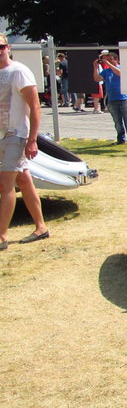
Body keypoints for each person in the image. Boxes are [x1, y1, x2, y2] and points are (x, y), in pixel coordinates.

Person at [0, 34, 47, 250]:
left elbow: (34, 106)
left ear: (7, 47)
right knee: (24, 180)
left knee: (5, 185)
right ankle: (41, 227)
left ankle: (1, 236)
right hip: (2, 136)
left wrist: (32, 140)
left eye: (0, 47)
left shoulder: (18, 71)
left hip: (15, 135)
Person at [93, 50, 127, 144]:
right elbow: (97, 79)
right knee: (117, 122)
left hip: (124, 98)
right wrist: (95, 67)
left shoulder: (121, 68)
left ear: (117, 60)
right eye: (107, 60)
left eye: (111, 59)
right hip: (112, 99)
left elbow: (120, 73)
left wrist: (108, 63)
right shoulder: (106, 71)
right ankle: (121, 139)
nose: (108, 61)